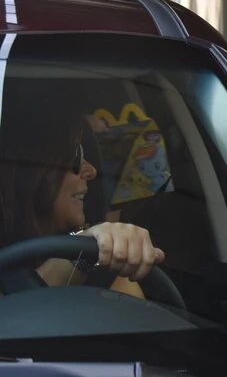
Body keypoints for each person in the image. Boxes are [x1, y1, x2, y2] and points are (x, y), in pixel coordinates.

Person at [0, 95, 165, 295]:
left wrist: (91, 248)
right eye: (77, 154)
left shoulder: (110, 280)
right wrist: (77, 256)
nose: (92, 171)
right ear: (33, 170)